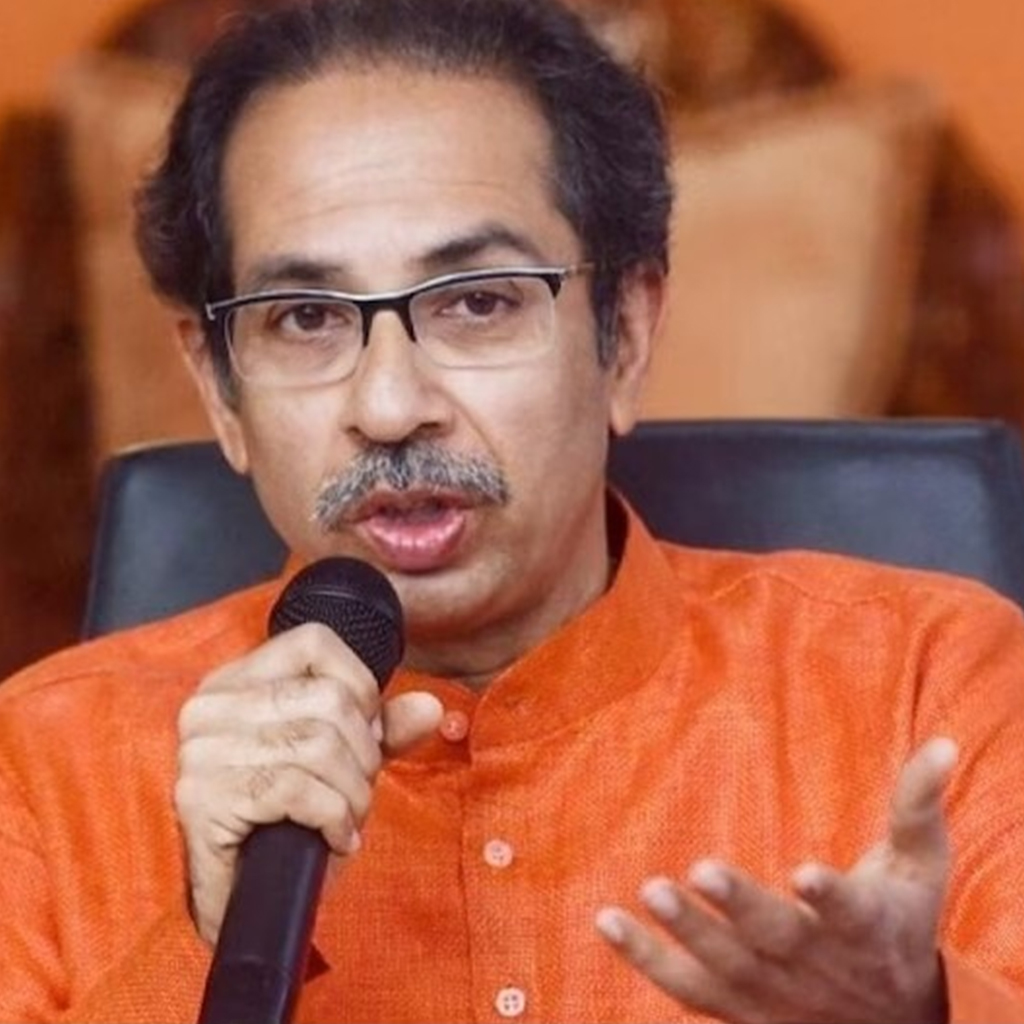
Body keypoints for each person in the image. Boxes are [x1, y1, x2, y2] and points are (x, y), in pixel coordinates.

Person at [3, 0, 1024, 1020]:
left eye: (478, 302)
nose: (390, 407)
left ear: (624, 336)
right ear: (220, 390)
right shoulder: (42, 768)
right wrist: (203, 944)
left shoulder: (929, 688)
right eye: (306, 317)